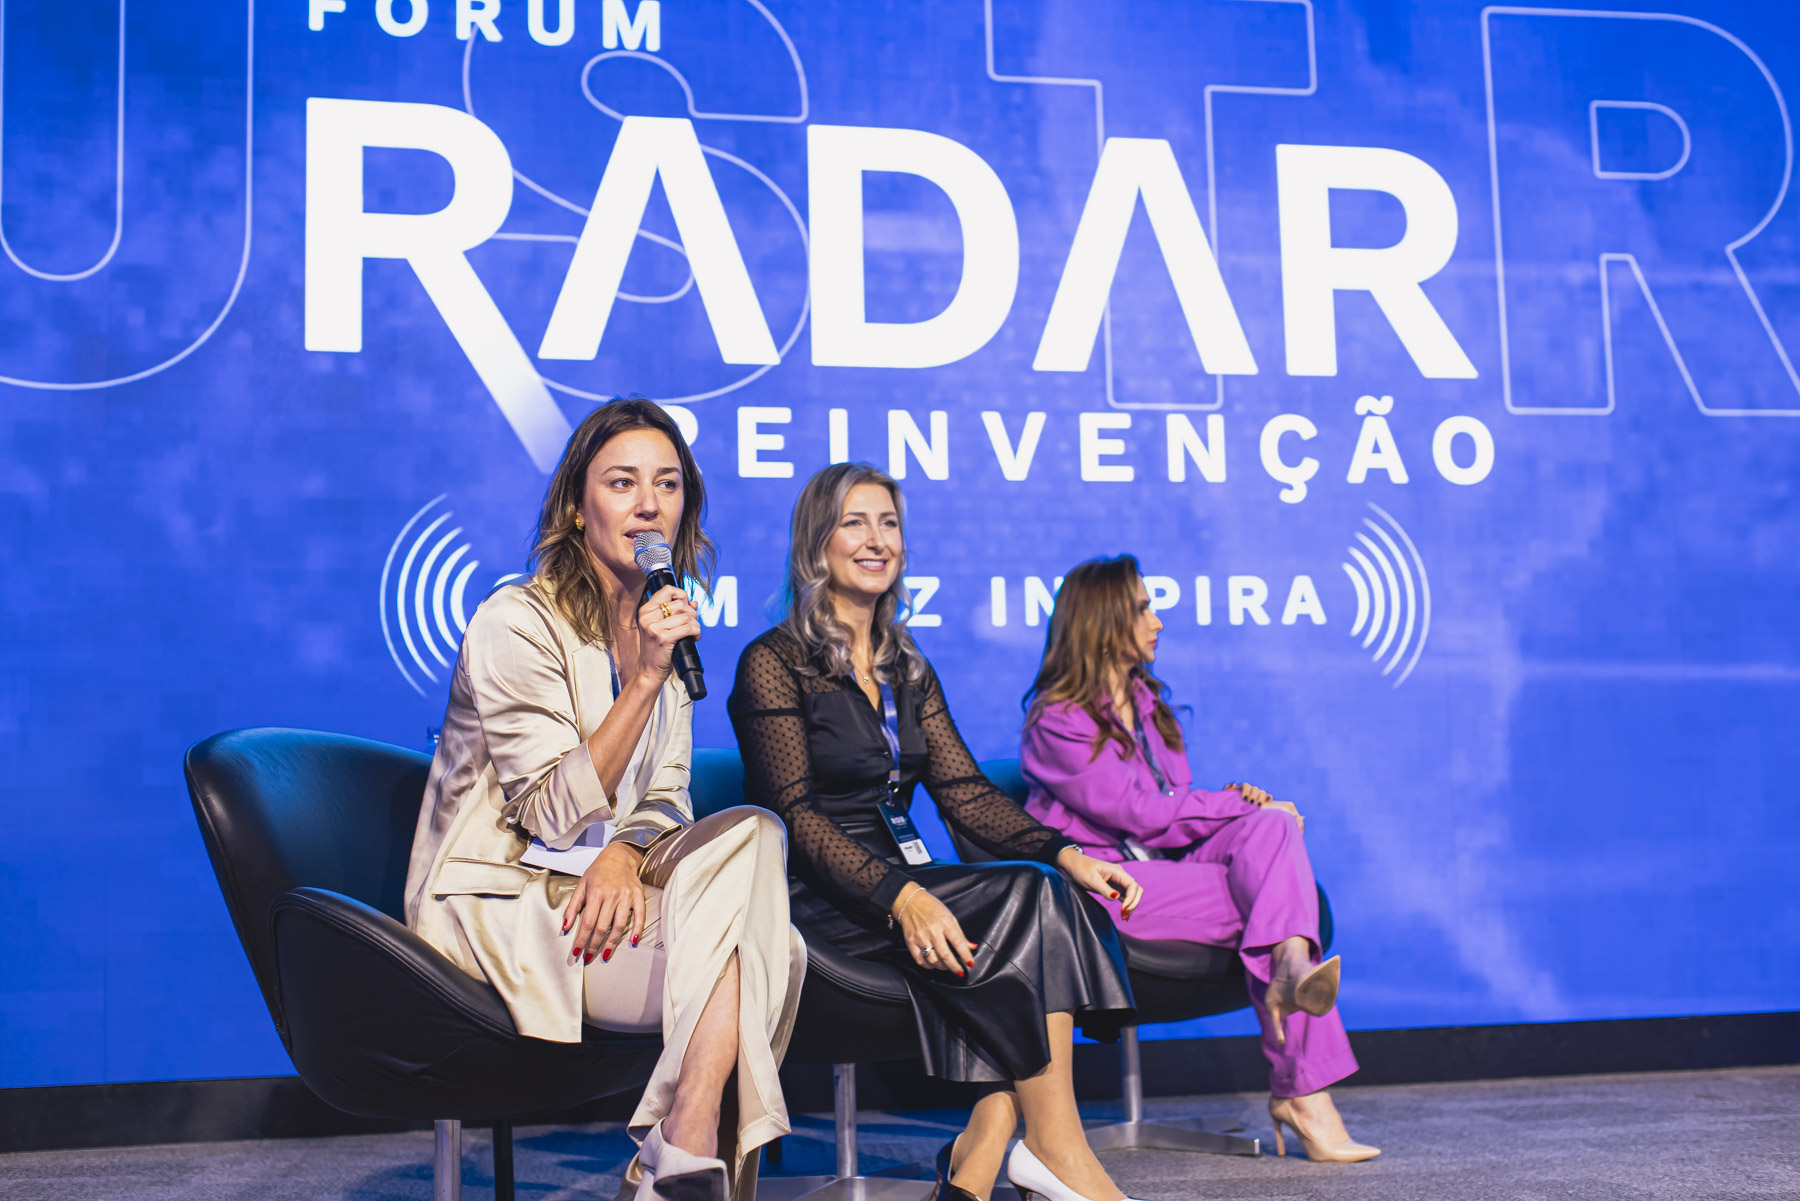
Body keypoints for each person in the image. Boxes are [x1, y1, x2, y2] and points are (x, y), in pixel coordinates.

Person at [405, 399, 806, 1201]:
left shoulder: (662, 626)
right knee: (767, 949)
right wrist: (646, 679)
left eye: (667, 484)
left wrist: (625, 851)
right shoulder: (516, 621)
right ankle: (677, 1155)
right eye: (622, 482)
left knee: (757, 832)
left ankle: (684, 1141)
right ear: (575, 507)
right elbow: (552, 813)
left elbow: (665, 798)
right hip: (504, 899)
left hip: (604, 890)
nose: (648, 503)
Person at [728, 463, 1146, 1201]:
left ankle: (985, 1157)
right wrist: (902, 898)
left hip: (905, 881)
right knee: (1027, 901)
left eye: (888, 523)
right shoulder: (772, 661)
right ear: (816, 542)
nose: (876, 540)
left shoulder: (907, 664)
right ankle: (1049, 1150)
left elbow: (965, 795)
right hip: (821, 897)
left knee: (1045, 889)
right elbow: (795, 814)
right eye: (855, 522)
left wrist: (1067, 853)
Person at [1018, 554, 1377, 1163]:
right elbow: (1139, 813)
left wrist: (1246, 809)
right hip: (1108, 886)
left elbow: (1173, 812)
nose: (1157, 622)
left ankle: (1291, 965)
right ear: (1103, 622)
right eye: (1142, 609)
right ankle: (1303, 1088)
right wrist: (1231, 804)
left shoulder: (1146, 703)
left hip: (1170, 870)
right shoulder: (1057, 720)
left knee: (1271, 828)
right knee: (1277, 907)